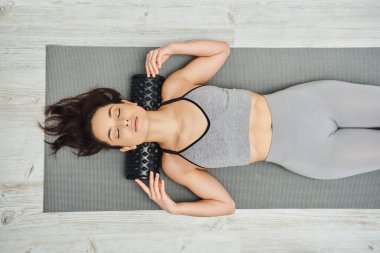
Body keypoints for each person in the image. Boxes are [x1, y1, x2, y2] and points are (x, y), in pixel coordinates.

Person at [39, 39, 380, 217]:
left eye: (115, 113)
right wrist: (175, 208)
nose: (123, 123)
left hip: (309, 104)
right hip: (310, 156)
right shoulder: (175, 164)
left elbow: (221, 50)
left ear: (128, 104)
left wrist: (175, 48)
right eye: (115, 133)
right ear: (127, 147)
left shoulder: (175, 88)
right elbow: (224, 205)